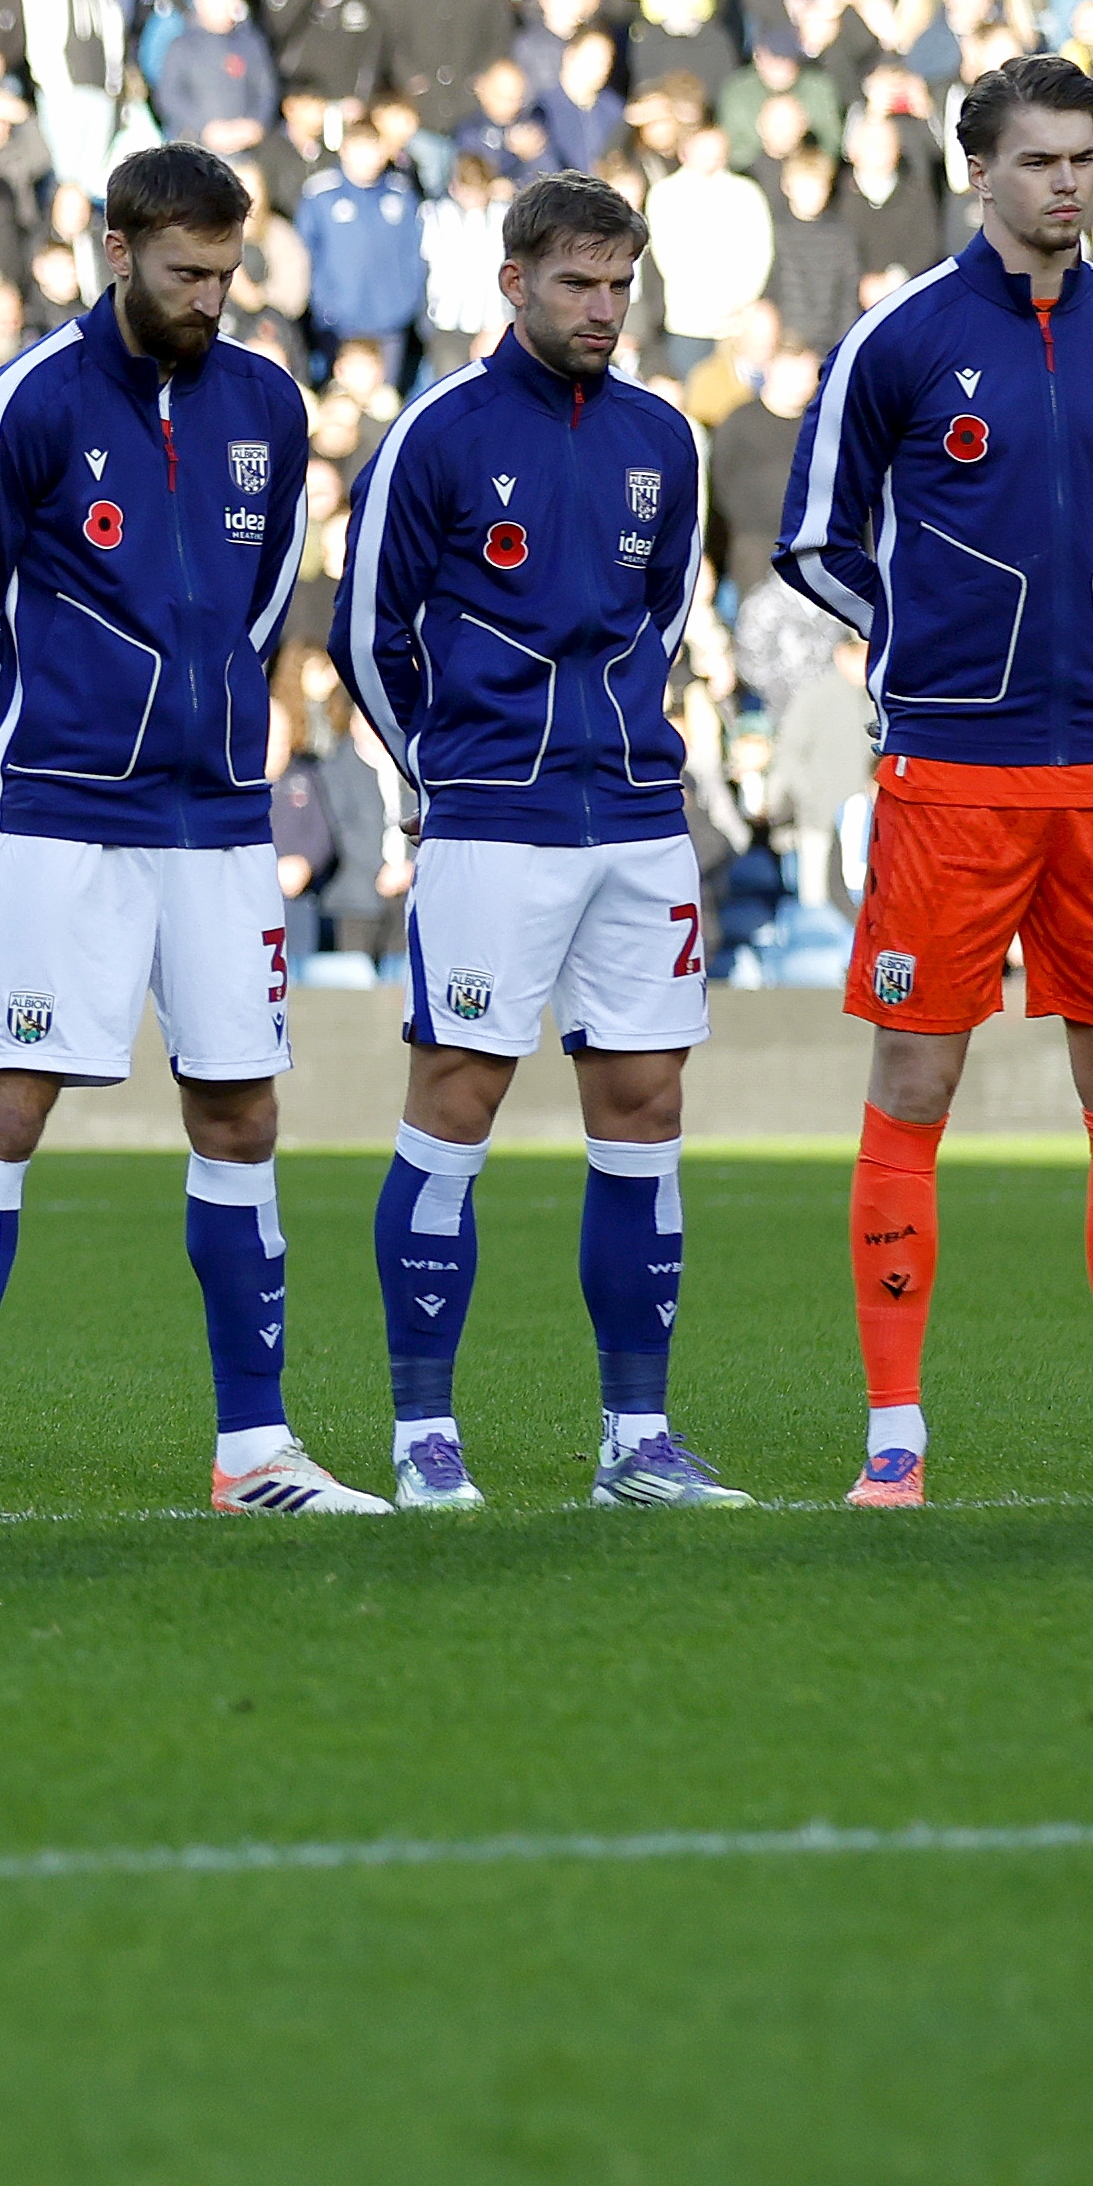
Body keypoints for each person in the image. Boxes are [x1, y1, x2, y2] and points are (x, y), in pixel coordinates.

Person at [779, 54, 1093, 1507]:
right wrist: (916, 640)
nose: (1068, 182)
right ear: (977, 171)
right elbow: (815, 534)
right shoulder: (900, 339)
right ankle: (895, 1442)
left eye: (1085, 157)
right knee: (915, 1079)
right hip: (950, 769)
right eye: (1041, 159)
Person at [0, 143, 381, 1522]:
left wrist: (212, 715)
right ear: (116, 250)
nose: (210, 296)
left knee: (242, 1109)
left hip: (221, 814)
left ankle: (257, 1453)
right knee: (9, 1102)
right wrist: (50, 725)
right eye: (186, 271)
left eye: (227, 272)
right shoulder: (31, 400)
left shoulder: (265, 401)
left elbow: (265, 586)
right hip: (68, 812)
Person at [332, 176, 747, 1510]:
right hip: (493, 819)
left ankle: (637, 1438)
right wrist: (431, 772)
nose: (604, 308)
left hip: (634, 817)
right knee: (458, 1101)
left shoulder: (664, 439)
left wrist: (618, 737)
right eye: (579, 283)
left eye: (621, 283)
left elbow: (669, 608)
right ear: (512, 282)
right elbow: (363, 635)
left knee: (647, 1109)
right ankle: (421, 1435)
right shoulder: (435, 434)